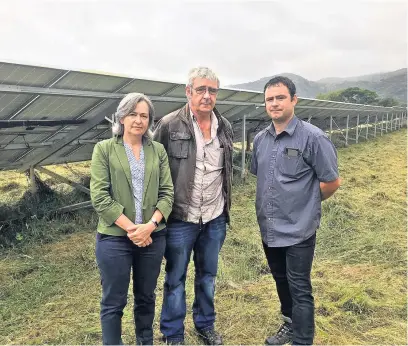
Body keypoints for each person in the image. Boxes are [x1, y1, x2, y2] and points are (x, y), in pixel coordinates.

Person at [250, 76, 341, 345]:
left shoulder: (313, 138)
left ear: (293, 100)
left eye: (280, 97)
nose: (274, 103)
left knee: (299, 286)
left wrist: (307, 204)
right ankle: (290, 324)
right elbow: (262, 177)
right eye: (269, 99)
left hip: (299, 229)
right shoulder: (260, 139)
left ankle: (303, 339)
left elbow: (332, 181)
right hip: (269, 227)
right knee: (280, 279)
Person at [153, 67, 233, 345]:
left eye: (212, 90)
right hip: (180, 218)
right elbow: (154, 169)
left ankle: (205, 325)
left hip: (214, 216)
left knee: (208, 275)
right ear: (188, 92)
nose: (207, 96)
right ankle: (172, 334)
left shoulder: (225, 126)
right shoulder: (169, 125)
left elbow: (226, 172)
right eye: (201, 89)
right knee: (175, 278)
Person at [90, 93, 174, 345]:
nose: (138, 120)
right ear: (121, 117)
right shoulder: (104, 149)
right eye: (133, 114)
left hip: (152, 237)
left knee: (146, 297)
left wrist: (149, 226)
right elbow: (100, 197)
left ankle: (144, 341)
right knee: (114, 300)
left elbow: (168, 193)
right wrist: (132, 229)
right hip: (115, 239)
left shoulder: (157, 150)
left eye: (144, 115)